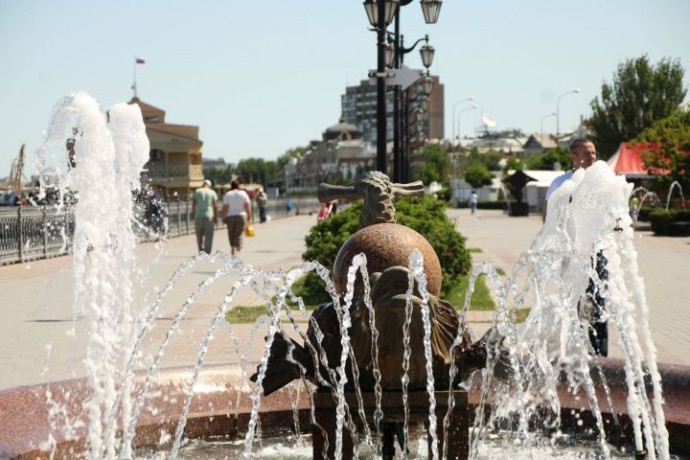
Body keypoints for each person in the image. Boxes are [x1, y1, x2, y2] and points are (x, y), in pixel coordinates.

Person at [544, 138, 608, 357]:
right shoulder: (561, 184)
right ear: (573, 155)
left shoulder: (603, 184)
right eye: (587, 153)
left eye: (594, 153)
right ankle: (572, 353)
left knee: (598, 304)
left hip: (596, 253)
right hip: (569, 254)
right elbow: (548, 219)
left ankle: (600, 355)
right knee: (570, 303)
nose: (592, 157)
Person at [222, 180, 252, 256]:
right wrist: (249, 215)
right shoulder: (243, 193)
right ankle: (238, 249)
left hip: (230, 216)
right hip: (241, 216)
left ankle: (232, 247)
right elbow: (247, 205)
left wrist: (224, 217)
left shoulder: (228, 194)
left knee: (231, 233)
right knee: (239, 233)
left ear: (231, 186)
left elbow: (225, 207)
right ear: (238, 186)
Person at [191, 179, 218, 254]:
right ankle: (207, 252)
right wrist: (216, 217)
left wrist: (193, 214)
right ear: (209, 185)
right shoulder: (212, 192)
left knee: (199, 235)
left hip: (198, 215)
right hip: (209, 215)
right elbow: (215, 205)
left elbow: (193, 204)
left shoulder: (197, 191)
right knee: (209, 235)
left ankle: (201, 251)